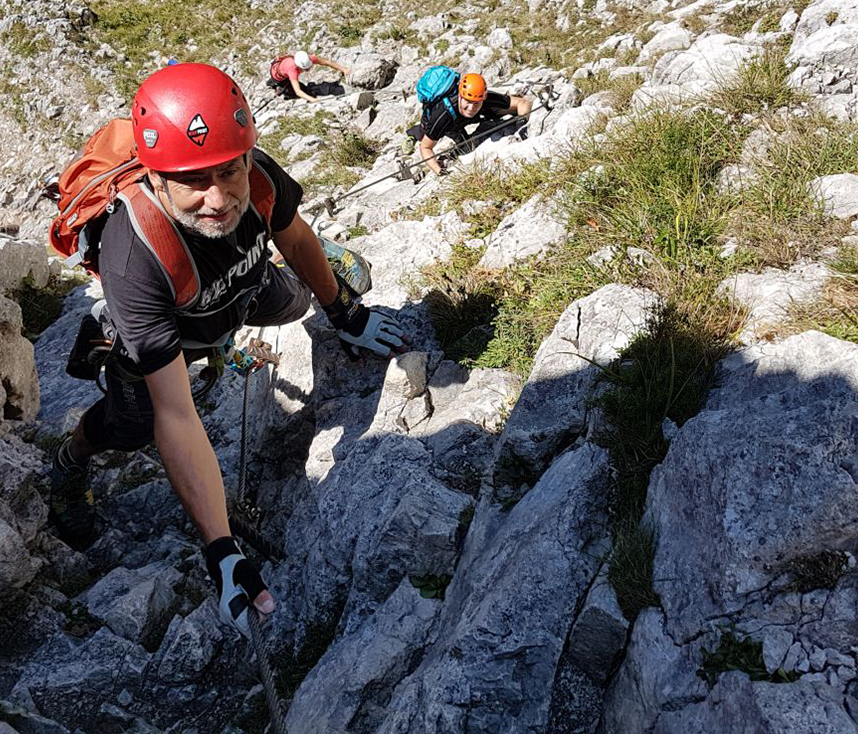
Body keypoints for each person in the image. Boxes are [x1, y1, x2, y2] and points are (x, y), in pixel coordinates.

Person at [49, 62, 404, 634]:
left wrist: (344, 313)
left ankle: (315, 290)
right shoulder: (134, 254)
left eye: (228, 171)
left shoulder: (258, 177)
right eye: (193, 180)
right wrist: (223, 550)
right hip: (171, 326)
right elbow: (177, 414)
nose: (217, 197)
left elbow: (292, 235)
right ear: (157, 176)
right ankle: (67, 463)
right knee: (131, 425)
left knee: (294, 301)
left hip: (241, 288)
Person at [414, 72, 531, 177]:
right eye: (468, 101)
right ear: (460, 96)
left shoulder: (482, 97)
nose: (471, 108)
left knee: (499, 111)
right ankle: (414, 133)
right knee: (465, 146)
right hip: (451, 124)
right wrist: (439, 171)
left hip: (467, 117)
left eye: (476, 103)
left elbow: (523, 103)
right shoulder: (442, 116)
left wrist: (521, 126)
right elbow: (426, 147)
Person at [268, 49, 351, 103]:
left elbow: (327, 63)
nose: (309, 70)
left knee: (303, 90)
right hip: (278, 77)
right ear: (299, 67)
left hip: (280, 68)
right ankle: (276, 86)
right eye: (306, 69)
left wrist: (343, 69)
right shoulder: (292, 70)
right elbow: (298, 91)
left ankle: (277, 86)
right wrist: (312, 99)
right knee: (299, 93)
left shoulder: (309, 59)